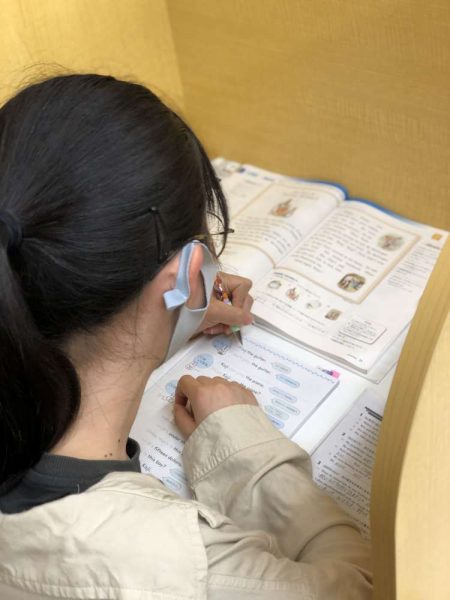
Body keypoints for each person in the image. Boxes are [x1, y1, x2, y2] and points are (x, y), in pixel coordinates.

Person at [0, 74, 372, 599]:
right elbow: (368, 587)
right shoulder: (177, 566)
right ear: (185, 272)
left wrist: (175, 309)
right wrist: (244, 454)